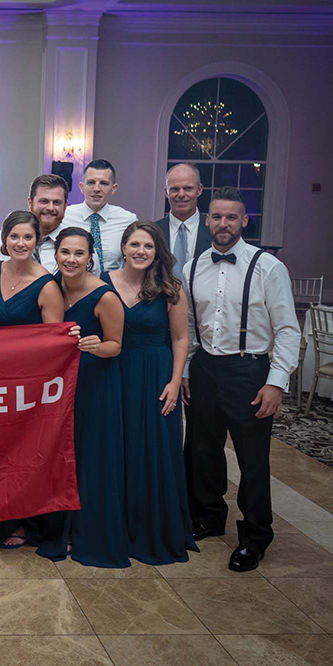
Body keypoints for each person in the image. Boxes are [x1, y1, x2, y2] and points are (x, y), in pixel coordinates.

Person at [182, 187, 300, 572]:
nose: (222, 224)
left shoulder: (268, 267)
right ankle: (208, 517)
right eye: (216, 217)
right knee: (202, 451)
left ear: (244, 221)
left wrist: (275, 381)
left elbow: (287, 329)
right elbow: (187, 325)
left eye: (231, 217)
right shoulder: (191, 266)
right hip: (205, 369)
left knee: (252, 460)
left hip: (250, 371)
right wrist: (185, 370)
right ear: (207, 220)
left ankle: (255, 536)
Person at [0, 210, 64, 551]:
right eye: (14, 236)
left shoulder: (48, 284)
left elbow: (54, 343)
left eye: (28, 237)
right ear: (4, 239)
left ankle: (24, 521)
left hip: (28, 384)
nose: (20, 243)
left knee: (22, 454)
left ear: (37, 242)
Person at [101, 221, 197, 565]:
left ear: (158, 252)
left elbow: (180, 339)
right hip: (114, 373)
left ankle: (151, 528)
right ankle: (117, 527)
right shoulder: (103, 282)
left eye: (149, 246)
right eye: (135, 244)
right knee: (117, 450)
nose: (141, 251)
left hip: (156, 375)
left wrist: (175, 381)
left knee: (152, 451)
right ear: (123, 247)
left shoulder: (171, 288)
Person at [37, 227, 130, 568]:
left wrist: (95, 346)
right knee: (62, 457)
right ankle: (58, 529)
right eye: (65, 253)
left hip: (95, 383)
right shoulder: (51, 288)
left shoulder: (105, 296)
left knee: (90, 459)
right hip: (61, 387)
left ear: (90, 257)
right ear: (55, 254)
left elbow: (116, 345)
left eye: (79, 254)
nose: (71, 260)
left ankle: (87, 532)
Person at [64, 159, 137, 274]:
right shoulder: (64, 216)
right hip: (73, 288)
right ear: (82, 187)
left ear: (113, 188)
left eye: (104, 183)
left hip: (113, 288)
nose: (97, 189)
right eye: (91, 182)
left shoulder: (128, 220)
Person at [156, 163, 212, 281]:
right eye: (175, 189)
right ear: (166, 192)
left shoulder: (213, 231)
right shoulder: (152, 231)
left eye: (188, 188)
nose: (181, 194)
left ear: (199, 190)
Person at [28, 174, 71, 273]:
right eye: (44, 201)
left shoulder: (77, 246)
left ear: (65, 206)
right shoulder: (12, 243)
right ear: (30, 203)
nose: (50, 208)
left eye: (56, 202)